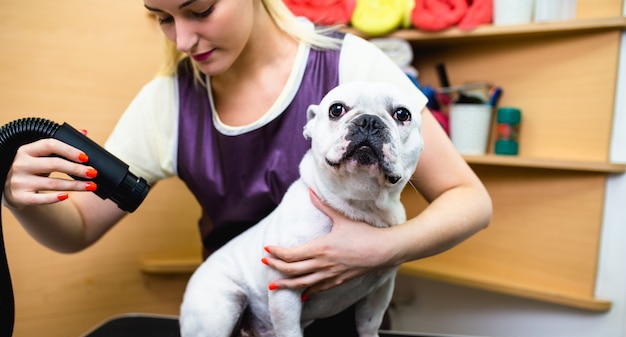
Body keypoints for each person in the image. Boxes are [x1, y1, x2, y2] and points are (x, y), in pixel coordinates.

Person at [3, 0, 491, 302]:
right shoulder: (166, 100)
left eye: (200, 10)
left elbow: (470, 200)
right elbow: (79, 230)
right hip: (238, 330)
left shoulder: (352, 67)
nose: (184, 39)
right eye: (162, 18)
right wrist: (21, 198)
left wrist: (379, 250)